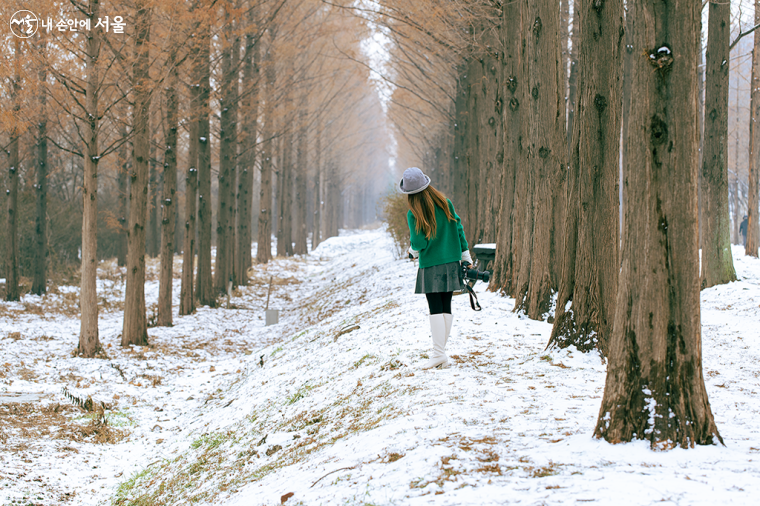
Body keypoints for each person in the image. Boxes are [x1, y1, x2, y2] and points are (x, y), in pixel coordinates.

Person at [400, 167, 472, 370]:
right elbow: (458, 229)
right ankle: (440, 354)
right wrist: (465, 256)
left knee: (434, 310)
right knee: (446, 306)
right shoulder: (445, 203)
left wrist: (411, 252)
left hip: (431, 265)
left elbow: (419, 242)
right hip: (451, 262)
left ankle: (438, 354)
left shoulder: (414, 213)